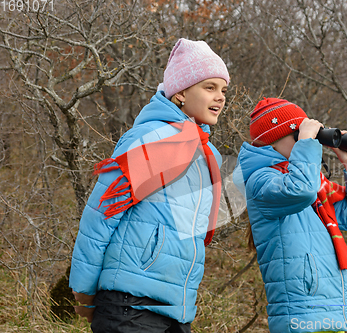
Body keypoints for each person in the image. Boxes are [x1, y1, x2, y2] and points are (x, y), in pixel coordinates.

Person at [69, 38, 230, 333]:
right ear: (180, 92)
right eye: (209, 87)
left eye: (223, 90)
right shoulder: (152, 139)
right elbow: (101, 214)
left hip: (176, 309)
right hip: (129, 304)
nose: (220, 97)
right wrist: (83, 291)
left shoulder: (207, 155)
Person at [234, 98, 347, 333]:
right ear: (275, 139)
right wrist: (307, 142)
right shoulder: (261, 180)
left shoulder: (315, 188)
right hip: (300, 315)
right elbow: (299, 190)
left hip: (332, 311)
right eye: (299, 135)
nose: (311, 143)